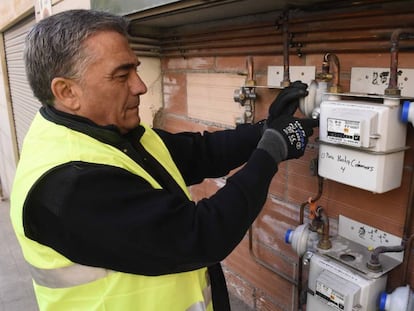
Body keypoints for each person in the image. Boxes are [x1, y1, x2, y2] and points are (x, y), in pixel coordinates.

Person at [10, 9, 318, 311]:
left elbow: (201, 153)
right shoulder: (67, 186)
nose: (140, 86)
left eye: (136, 69)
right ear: (67, 91)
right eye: (121, 75)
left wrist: (266, 127)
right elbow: (201, 235)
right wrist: (273, 149)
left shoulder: (111, 136)